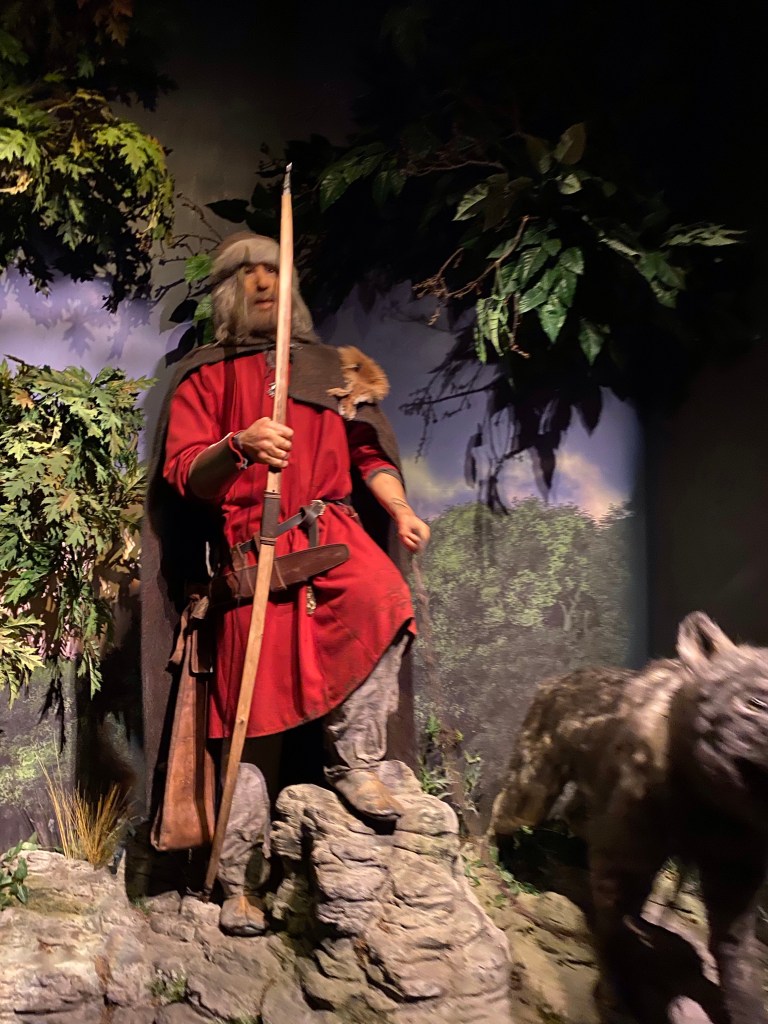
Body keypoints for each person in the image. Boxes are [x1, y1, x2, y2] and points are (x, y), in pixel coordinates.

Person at [142, 232, 429, 934]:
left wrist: (398, 509)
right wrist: (238, 446)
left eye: (273, 269)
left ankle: (354, 760)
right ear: (226, 291)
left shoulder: (334, 367)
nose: (262, 282)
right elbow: (184, 474)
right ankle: (240, 879)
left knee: (386, 600)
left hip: (333, 535)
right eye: (246, 273)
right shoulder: (205, 376)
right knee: (251, 722)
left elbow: (369, 450)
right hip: (254, 555)